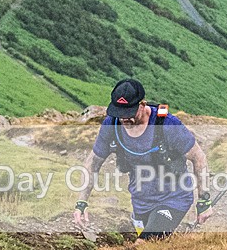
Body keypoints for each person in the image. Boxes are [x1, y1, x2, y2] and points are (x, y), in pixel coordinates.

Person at [73, 79, 213, 239]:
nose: (124, 119)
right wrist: (81, 203)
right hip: (140, 203)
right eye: (119, 113)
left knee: (144, 245)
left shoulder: (167, 125)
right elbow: (92, 164)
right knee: (152, 249)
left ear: (142, 104)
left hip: (173, 199)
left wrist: (204, 201)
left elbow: (198, 157)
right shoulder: (112, 125)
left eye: (129, 113)